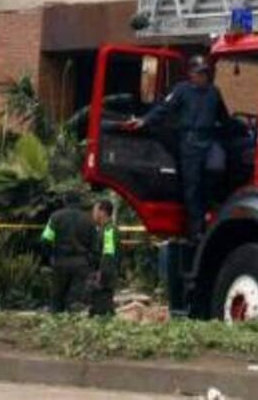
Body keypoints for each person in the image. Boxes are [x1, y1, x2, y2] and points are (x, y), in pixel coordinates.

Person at [124, 55, 229, 241]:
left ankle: (210, 217)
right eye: (199, 73)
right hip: (190, 143)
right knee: (192, 186)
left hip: (208, 141)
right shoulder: (182, 90)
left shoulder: (214, 92)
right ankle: (196, 230)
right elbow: (164, 109)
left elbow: (224, 118)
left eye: (205, 73)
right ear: (191, 74)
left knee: (215, 174)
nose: (203, 76)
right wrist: (145, 121)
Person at [40, 190, 96, 314]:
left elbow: (46, 240)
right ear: (79, 202)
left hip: (60, 263)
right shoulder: (89, 219)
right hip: (81, 264)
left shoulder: (56, 216)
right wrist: (91, 264)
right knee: (75, 302)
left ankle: (56, 325)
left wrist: (48, 258)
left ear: (65, 201)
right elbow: (95, 245)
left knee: (57, 299)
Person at [88, 199, 118, 317]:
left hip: (104, 278)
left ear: (103, 212)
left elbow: (108, 254)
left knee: (102, 311)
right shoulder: (103, 229)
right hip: (103, 276)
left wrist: (102, 273)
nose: (93, 213)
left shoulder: (109, 230)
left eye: (95, 210)